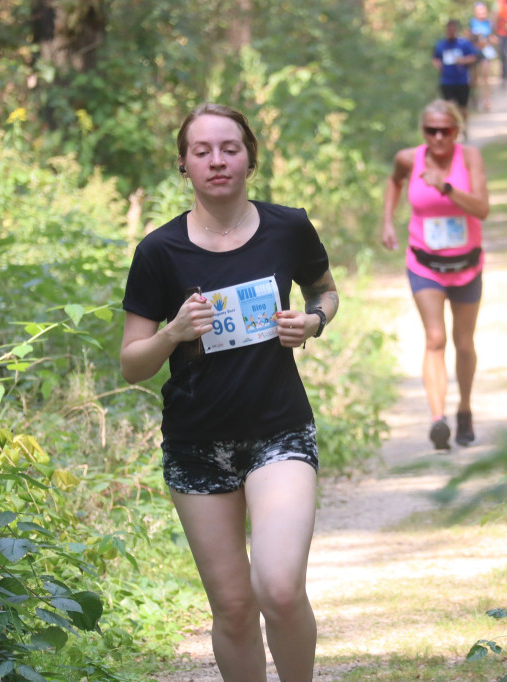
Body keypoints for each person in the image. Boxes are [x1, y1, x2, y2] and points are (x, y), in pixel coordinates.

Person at [120, 102, 338, 682]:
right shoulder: (158, 252)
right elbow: (131, 364)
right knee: (235, 609)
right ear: (184, 166)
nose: (217, 160)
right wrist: (173, 332)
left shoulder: (288, 227)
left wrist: (312, 322)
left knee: (280, 587)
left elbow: (325, 291)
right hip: (196, 443)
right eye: (202, 151)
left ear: (250, 159)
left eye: (230, 148)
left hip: (279, 431)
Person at [380, 100, 490, 450]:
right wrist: (387, 220)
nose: (439, 136)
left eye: (447, 130)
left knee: (463, 342)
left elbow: (482, 209)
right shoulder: (408, 159)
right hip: (424, 264)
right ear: (423, 132)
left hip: (467, 265)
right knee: (435, 338)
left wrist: (446, 187)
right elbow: (394, 182)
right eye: (432, 130)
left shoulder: (469, 158)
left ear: (457, 131)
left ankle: (465, 411)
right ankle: (437, 418)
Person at [432, 19, 479, 133]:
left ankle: (465, 127)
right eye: (449, 30)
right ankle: (453, 130)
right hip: (447, 81)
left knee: (463, 107)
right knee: (450, 107)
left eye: (453, 30)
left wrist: (462, 61)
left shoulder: (464, 44)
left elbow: (473, 57)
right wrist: (439, 65)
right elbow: (435, 58)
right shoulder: (440, 45)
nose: (451, 32)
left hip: (461, 80)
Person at [469, 2, 496, 112]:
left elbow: (493, 37)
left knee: (485, 77)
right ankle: (475, 100)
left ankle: (486, 100)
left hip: (486, 52)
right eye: (479, 11)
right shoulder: (471, 23)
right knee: (474, 79)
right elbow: (468, 38)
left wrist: (489, 41)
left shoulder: (489, 23)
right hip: (474, 53)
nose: (481, 13)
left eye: (483, 10)